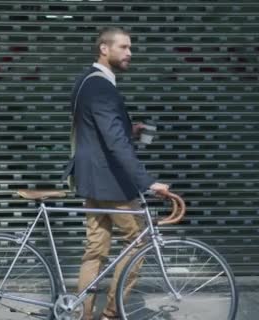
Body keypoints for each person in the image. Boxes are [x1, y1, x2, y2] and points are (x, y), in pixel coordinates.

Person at [63, 27, 170, 320]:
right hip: (111, 183)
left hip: (92, 181)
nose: (129, 53)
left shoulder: (85, 82)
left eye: (130, 47)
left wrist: (129, 129)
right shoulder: (101, 87)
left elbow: (98, 132)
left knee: (95, 251)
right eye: (123, 47)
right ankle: (112, 314)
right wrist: (148, 182)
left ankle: (83, 315)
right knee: (138, 242)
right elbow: (114, 142)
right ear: (104, 49)